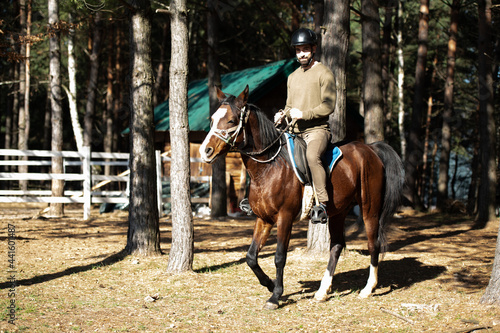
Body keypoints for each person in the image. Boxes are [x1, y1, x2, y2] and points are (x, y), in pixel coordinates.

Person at [274, 27, 336, 223]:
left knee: (312, 155)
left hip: (316, 131)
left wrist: (304, 114)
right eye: (298, 50)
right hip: (293, 131)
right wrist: (282, 114)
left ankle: (322, 205)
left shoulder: (324, 73)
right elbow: (290, 105)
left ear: (314, 49)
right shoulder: (292, 77)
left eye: (305, 49)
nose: (301, 54)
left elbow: (329, 106)